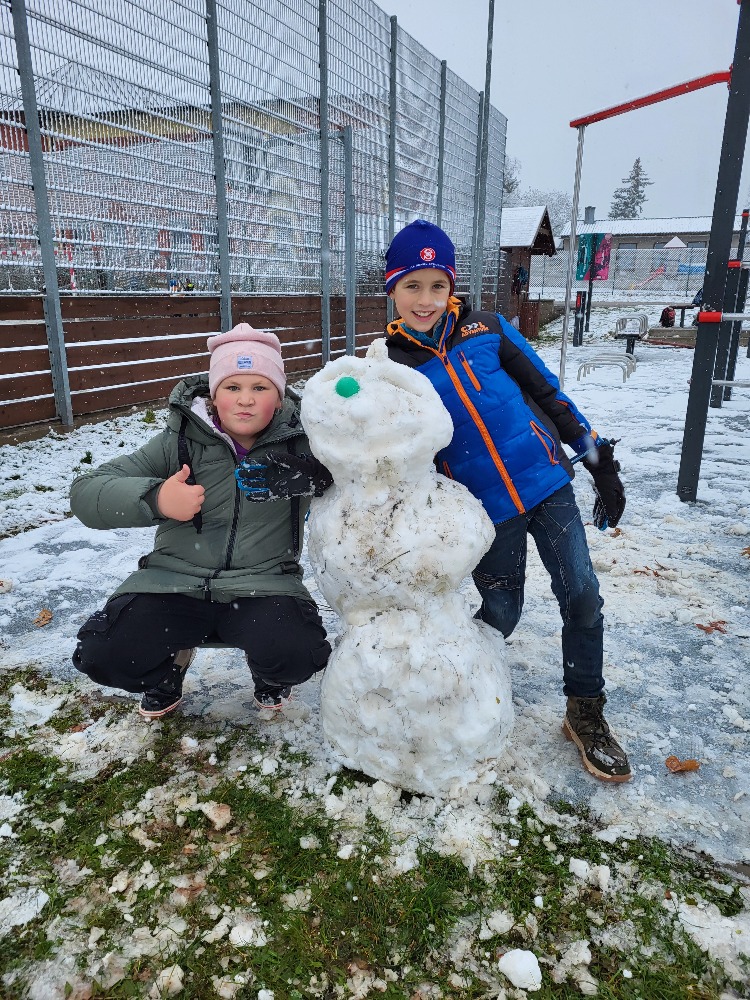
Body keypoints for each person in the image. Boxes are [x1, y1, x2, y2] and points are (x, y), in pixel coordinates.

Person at [383, 219, 630, 783]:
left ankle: (585, 713)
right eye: (412, 286)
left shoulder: (489, 329)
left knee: (583, 596)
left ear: (452, 287)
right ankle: (455, 693)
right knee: (500, 614)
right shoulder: (391, 367)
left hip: (547, 486)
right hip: (484, 510)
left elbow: (547, 392)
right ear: (392, 290)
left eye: (437, 286)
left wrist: (598, 460)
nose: (425, 299)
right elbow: (385, 447)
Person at [70, 324, 332, 717]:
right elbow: (86, 491)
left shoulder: (304, 442)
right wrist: (157, 498)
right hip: (172, 582)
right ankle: (168, 669)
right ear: (213, 395)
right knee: (104, 654)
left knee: (299, 654)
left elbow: (370, 475)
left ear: (279, 399)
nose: (245, 399)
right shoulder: (178, 442)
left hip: (263, 584)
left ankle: (268, 671)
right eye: (232, 386)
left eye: (260, 387)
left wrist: (318, 476)